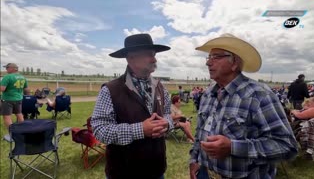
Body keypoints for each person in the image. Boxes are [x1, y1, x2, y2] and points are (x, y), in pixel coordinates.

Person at [189, 33, 298, 179]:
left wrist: (233, 148)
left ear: (234, 62)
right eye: (209, 57)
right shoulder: (208, 94)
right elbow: (200, 133)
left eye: (216, 57)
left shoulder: (259, 95)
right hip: (205, 173)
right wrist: (194, 159)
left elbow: (286, 146)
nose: (208, 63)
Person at [91, 33, 173, 179]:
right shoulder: (110, 90)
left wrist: (167, 124)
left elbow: (168, 114)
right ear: (131, 58)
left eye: (154, 54)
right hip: (123, 172)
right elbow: (99, 130)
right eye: (149, 54)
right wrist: (140, 130)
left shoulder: (160, 87)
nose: (154, 59)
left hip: (157, 170)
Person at [1, 63, 28, 129]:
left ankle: (12, 133)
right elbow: (26, 89)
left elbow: (2, 89)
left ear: (12, 68)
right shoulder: (23, 77)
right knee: (19, 114)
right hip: (19, 98)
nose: (6, 69)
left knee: (6, 116)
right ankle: (21, 129)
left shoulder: (7, 77)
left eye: (7, 68)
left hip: (7, 99)